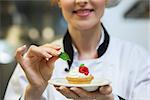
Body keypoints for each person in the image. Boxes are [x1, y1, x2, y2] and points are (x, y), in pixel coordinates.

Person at [4, 0, 150, 100]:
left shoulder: (137, 58)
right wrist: (33, 92)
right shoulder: (35, 63)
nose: (81, 0)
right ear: (59, 1)